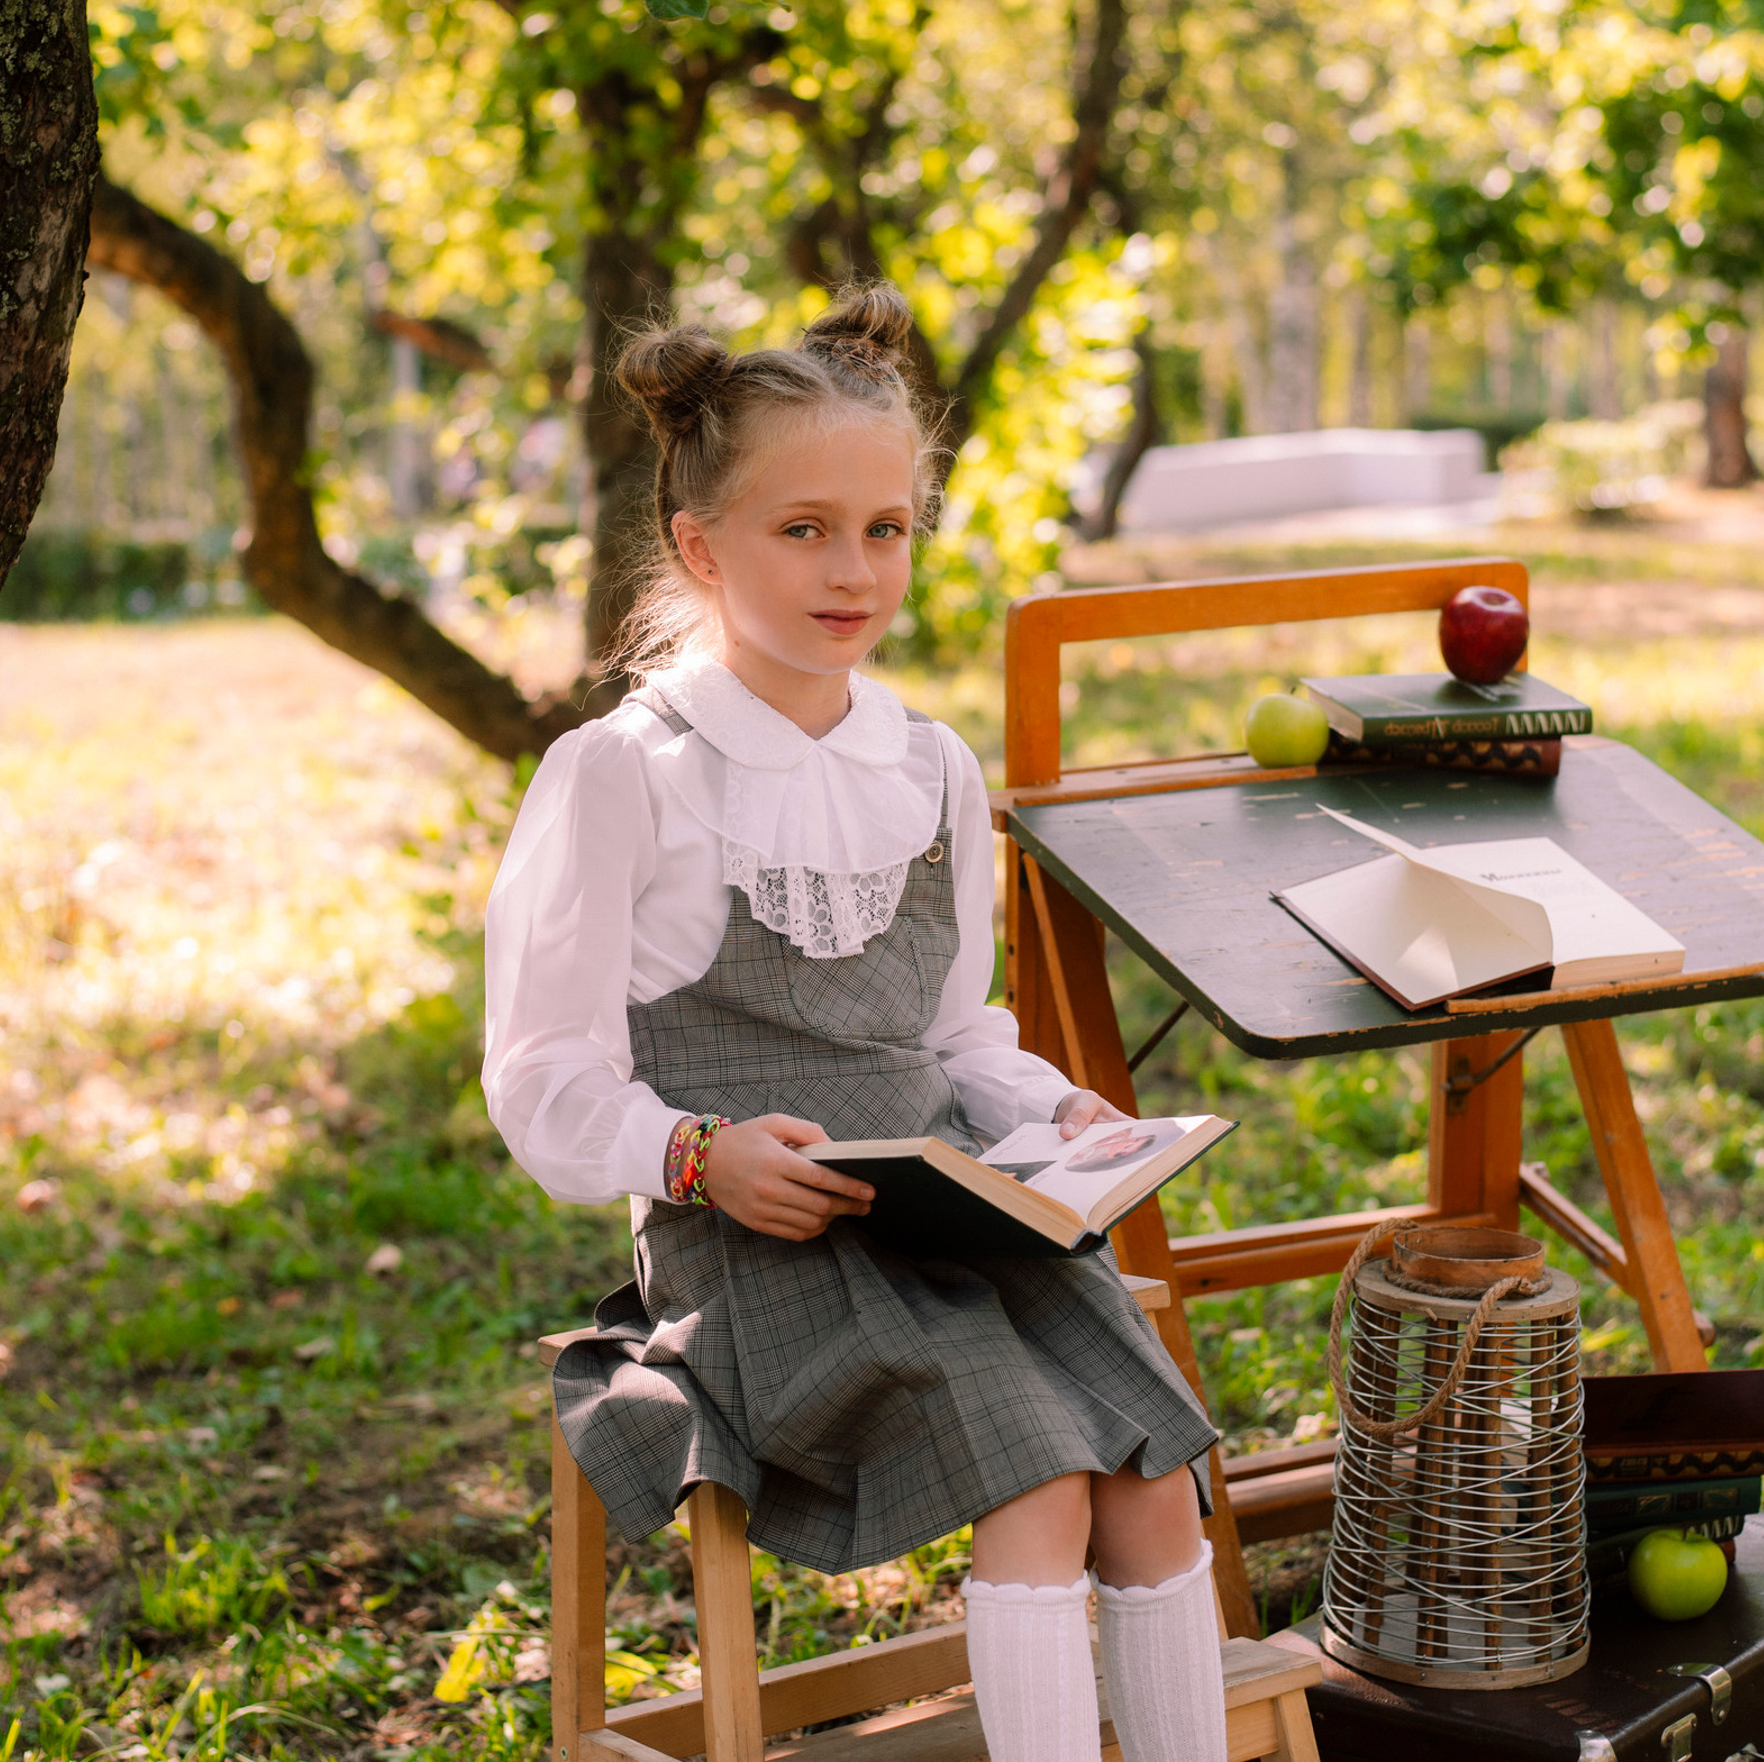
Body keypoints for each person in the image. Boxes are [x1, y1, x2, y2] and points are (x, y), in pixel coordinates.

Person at [481, 284, 1228, 1762]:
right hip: (761, 1248)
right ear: (702, 547)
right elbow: (543, 1074)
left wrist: (1053, 1113)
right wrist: (695, 1155)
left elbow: (956, 1038)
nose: (855, 569)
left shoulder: (931, 766)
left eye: (885, 528)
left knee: (1147, 1475)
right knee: (1040, 1484)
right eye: (803, 528)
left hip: (958, 1221)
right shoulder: (627, 772)